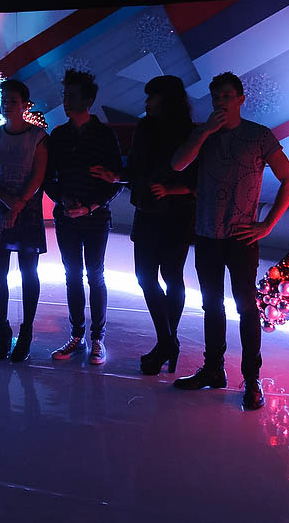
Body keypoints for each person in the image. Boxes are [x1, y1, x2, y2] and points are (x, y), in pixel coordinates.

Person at [170, 72, 289, 410]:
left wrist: (267, 225)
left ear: (241, 99)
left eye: (227, 96)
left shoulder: (259, 135)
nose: (221, 102)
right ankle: (213, 369)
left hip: (241, 235)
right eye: (216, 97)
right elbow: (178, 164)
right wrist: (203, 133)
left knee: (246, 306)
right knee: (211, 304)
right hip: (207, 233)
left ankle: (251, 378)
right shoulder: (203, 133)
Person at [91, 75, 197, 376]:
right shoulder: (145, 128)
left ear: (167, 99)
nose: (147, 102)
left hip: (176, 213)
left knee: (170, 277)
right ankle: (168, 341)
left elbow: (197, 180)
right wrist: (116, 176)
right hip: (149, 210)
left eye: (152, 97)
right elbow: (136, 170)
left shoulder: (188, 132)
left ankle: (166, 343)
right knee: (147, 276)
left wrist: (170, 189)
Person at [44, 70, 123, 365]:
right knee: (72, 275)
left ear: (88, 99)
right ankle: (77, 336)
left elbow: (116, 179)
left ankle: (97, 338)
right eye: (65, 96)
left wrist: (90, 206)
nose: (66, 101)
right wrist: (62, 199)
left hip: (95, 218)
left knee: (95, 274)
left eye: (72, 96)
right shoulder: (59, 136)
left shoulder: (104, 135)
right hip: (66, 217)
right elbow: (48, 178)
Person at [0, 80, 48, 362]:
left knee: (28, 273)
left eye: (13, 101)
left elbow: (38, 175)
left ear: (24, 105)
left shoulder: (38, 136)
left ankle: (27, 331)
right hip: (1, 211)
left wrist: (18, 204)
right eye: (4, 100)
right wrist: (8, 202)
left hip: (28, 212)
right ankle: (3, 329)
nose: (7, 105)